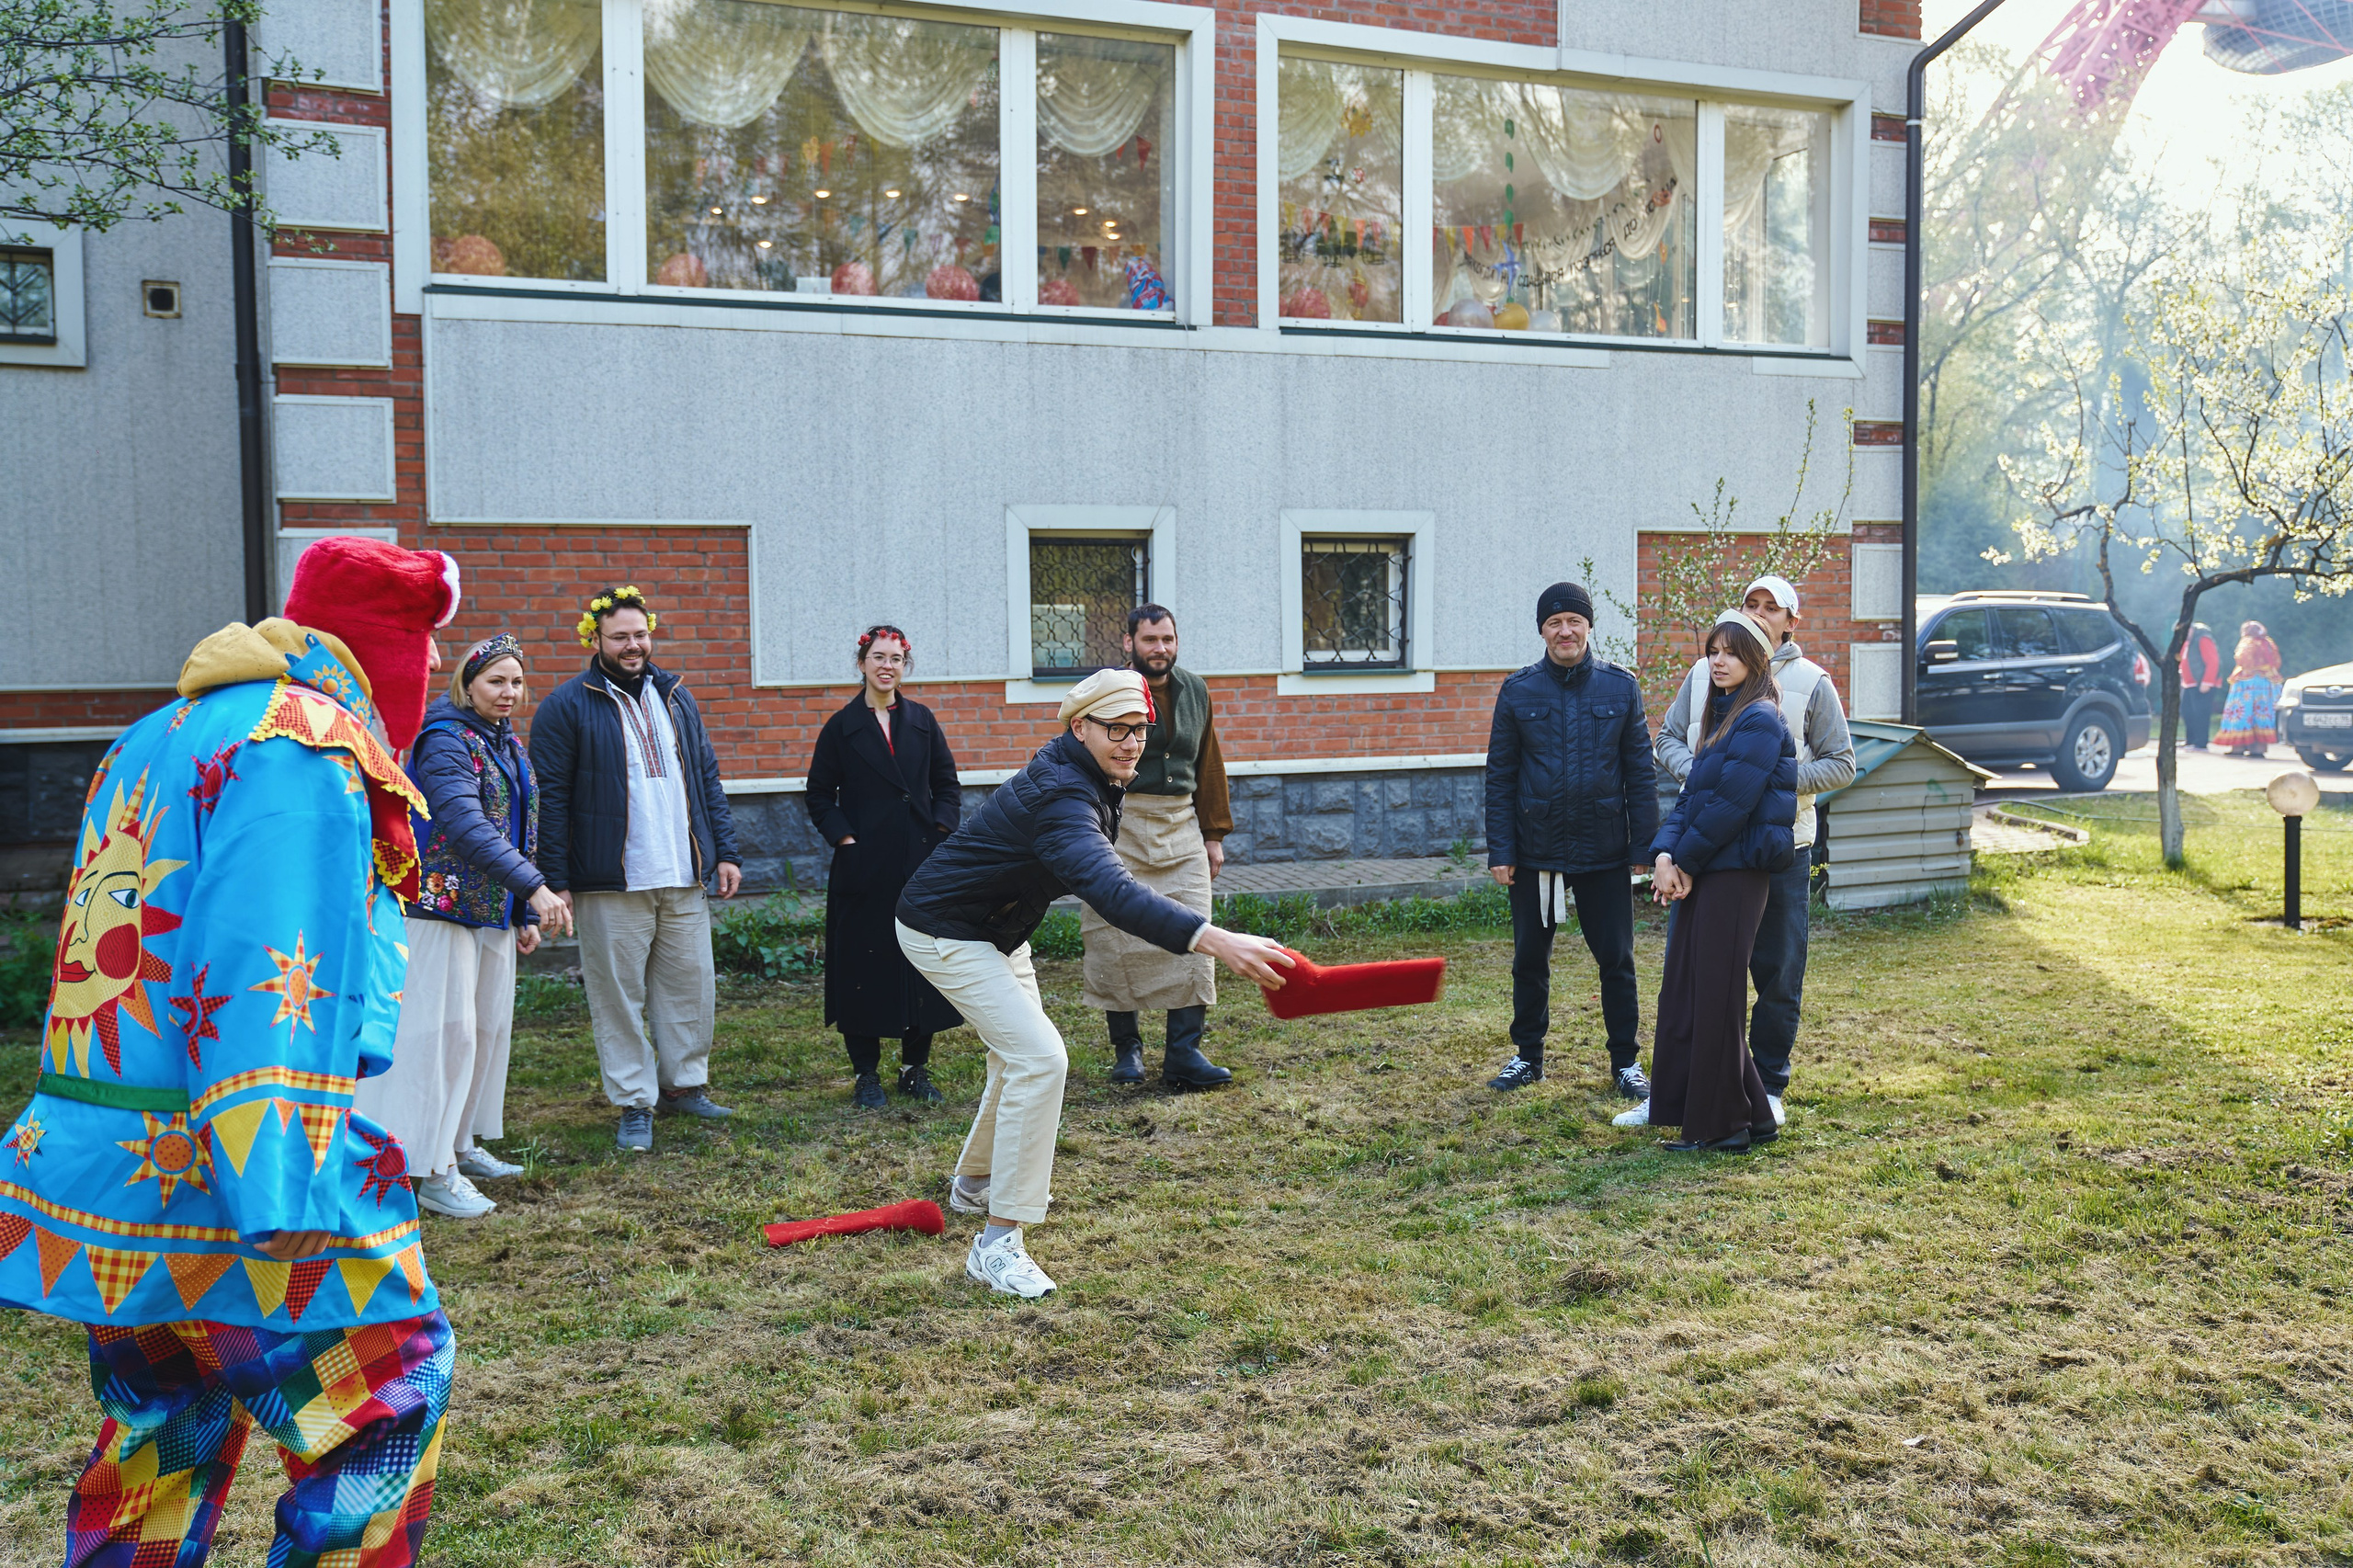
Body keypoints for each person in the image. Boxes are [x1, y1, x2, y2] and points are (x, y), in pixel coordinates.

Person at [0, 536, 460, 1564]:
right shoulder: (306, 745)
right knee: (386, 1394)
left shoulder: (152, 733)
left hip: (108, 1181)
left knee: (166, 1423)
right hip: (234, 1180)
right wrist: (283, 1188)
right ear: (392, 658)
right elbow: (267, 966)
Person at [893, 670, 1296, 1299]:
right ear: (1080, 728)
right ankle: (997, 1246)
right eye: (1117, 729)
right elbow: (1111, 890)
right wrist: (1215, 938)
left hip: (993, 931)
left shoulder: (1090, 774)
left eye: (1139, 729)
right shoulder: (1064, 795)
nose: (1132, 742)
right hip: (944, 932)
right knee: (1040, 1058)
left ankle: (975, 1185)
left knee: (1016, 1058)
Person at [357, 632, 572, 1220]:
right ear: (467, 684)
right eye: (495, 681)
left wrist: (520, 909)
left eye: (517, 681)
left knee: (485, 1034)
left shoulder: (506, 743)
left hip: (491, 911)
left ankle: (458, 1144)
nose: (508, 692)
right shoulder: (446, 741)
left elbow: (521, 825)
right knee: (442, 1037)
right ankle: (427, 1169)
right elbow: (465, 823)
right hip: (439, 907)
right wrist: (533, 888)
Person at [530, 585, 743, 1153]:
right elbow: (550, 799)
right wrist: (555, 880)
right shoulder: (566, 706)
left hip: (681, 872)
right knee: (617, 995)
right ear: (595, 639)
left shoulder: (677, 697)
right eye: (620, 636)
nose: (633, 645)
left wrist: (724, 850)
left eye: (640, 634)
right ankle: (634, 1101)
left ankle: (684, 1086)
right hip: (610, 878)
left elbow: (707, 778)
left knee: (689, 987)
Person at [1650, 574, 1855, 1125]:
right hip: (1707, 844)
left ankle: (1765, 1087)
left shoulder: (1810, 684)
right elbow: (1668, 740)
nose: (1761, 613)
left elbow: (1842, 763)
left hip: (1777, 846)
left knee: (1777, 969)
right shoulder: (1706, 674)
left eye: (1773, 607)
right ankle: (1684, 1090)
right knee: (1697, 973)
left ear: (1792, 621)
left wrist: (1766, 780)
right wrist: (1706, 778)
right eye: (1751, 604)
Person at [1482, 582, 1659, 1097]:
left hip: (1604, 852)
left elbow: (1639, 773)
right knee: (1529, 961)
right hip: (1536, 854)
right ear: (1542, 630)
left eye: (1574, 621)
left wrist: (1643, 849)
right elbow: (1500, 775)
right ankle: (1527, 1056)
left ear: (1588, 627)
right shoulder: (1518, 691)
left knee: (1618, 961)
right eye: (1555, 622)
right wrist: (1502, 850)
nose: (1566, 631)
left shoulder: (1620, 688)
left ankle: (1626, 1062)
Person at [1640, 610, 1797, 1153]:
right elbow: (1692, 800)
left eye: (1731, 651)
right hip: (1707, 869)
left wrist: (1682, 861)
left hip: (1735, 877)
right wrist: (1664, 854)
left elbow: (1730, 807)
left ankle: (1722, 1125)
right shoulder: (1720, 719)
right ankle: (1754, 1114)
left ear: (1756, 659)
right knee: (1690, 991)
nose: (1718, 661)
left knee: (1715, 998)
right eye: (1713, 651)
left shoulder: (1760, 720)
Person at [804, 624, 964, 1108]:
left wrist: (939, 831)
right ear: (862, 664)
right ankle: (866, 1074)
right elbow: (818, 795)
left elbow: (948, 785)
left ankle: (915, 1068)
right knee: (863, 965)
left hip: (920, 864)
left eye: (896, 658)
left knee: (920, 964)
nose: (887, 666)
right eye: (878, 657)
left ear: (904, 666)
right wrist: (846, 838)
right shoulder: (841, 727)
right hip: (863, 868)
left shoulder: (922, 721)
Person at [1082, 604, 1237, 1087]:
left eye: (1168, 639)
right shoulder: (1108, 689)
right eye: (1150, 640)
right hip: (1120, 823)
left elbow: (1209, 761)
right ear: (1129, 643)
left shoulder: (1195, 689)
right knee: (1114, 935)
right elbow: (1085, 757)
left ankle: (1184, 1053)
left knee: (1194, 929)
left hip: (1180, 823)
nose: (1160, 649)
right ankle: (1127, 1051)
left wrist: (1213, 836)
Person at [2212, 619, 2284, 758]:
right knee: (2260, 715)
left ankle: (2238, 747)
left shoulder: (2247, 642)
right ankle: (2258, 749)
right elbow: (2277, 662)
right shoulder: (2269, 643)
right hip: (2266, 683)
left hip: (2247, 683)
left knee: (2242, 714)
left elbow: (2242, 660)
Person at [2178, 621, 2223, 750]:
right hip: (2189, 684)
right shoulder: (2187, 642)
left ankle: (2200, 743)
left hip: (2202, 683)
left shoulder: (2203, 639)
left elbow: (2213, 661)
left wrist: (2207, 682)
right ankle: (2190, 740)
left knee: (2200, 713)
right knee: (2187, 711)